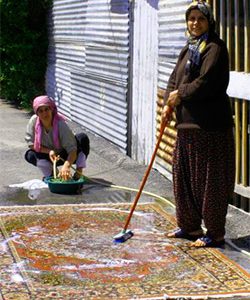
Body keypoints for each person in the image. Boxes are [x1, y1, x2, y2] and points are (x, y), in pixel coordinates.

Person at [162, 1, 235, 247]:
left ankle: (214, 233)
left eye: (200, 19)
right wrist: (167, 104)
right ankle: (189, 226)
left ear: (209, 22)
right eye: (191, 19)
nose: (195, 23)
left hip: (210, 127)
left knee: (209, 181)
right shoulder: (189, 48)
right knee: (182, 178)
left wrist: (179, 94)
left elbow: (206, 82)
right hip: (186, 127)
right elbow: (174, 79)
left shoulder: (215, 48)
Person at [25, 95, 90, 181]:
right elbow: (31, 144)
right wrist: (49, 151)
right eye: (40, 111)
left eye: (46, 109)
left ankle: (78, 172)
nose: (44, 114)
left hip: (64, 154)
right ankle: (52, 174)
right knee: (30, 155)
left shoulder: (60, 124)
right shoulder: (34, 121)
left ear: (51, 109)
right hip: (50, 156)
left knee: (82, 138)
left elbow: (72, 150)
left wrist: (67, 165)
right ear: (37, 113)